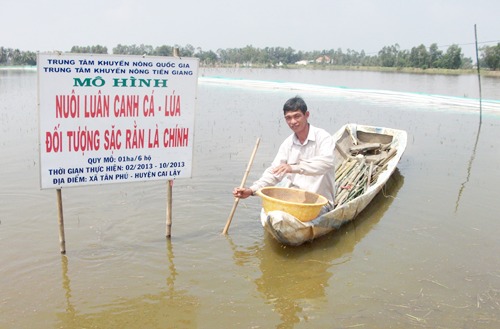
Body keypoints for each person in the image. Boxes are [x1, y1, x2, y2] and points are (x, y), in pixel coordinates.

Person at [233, 96, 335, 203]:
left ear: (307, 115)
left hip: (320, 202)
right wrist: (251, 190)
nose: (293, 121)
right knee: (275, 214)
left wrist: (293, 168)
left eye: (297, 116)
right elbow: (274, 172)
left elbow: (326, 164)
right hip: (295, 200)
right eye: (288, 118)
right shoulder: (288, 144)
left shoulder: (323, 137)